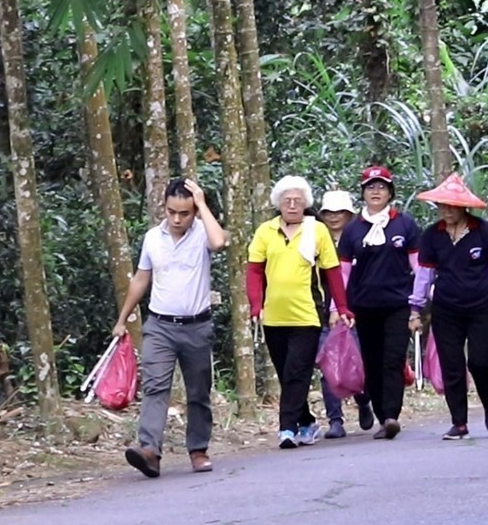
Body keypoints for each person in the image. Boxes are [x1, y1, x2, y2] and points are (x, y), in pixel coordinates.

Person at [117, 178, 228, 478]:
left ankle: (198, 449)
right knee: (154, 386)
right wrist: (122, 319)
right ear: (163, 208)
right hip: (160, 326)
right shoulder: (153, 238)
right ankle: (149, 450)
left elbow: (219, 243)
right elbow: (141, 278)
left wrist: (202, 203)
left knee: (198, 391)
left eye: (185, 213)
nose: (177, 219)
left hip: (197, 326)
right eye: (171, 212)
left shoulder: (205, 232)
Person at [408, 174, 488, 440]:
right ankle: (458, 422)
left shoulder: (484, 231)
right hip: (446, 309)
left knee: (480, 361)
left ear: (464, 206)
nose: (446, 210)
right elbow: (424, 275)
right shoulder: (431, 236)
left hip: (484, 306)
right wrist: (415, 309)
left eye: (452, 205)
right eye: (442, 205)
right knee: (452, 364)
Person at [247, 176, 353, 449]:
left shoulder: (316, 230)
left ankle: (286, 428)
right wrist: (255, 304)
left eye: (297, 201)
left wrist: (342, 307)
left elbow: (332, 272)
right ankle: (306, 422)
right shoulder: (265, 232)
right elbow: (255, 271)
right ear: (278, 204)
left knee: (298, 371)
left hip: (307, 314)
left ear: (305, 204)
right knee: (286, 373)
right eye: (287, 200)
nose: (292, 205)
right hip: (273, 316)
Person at [338, 167, 422, 440]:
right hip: (363, 306)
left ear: (390, 192)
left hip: (398, 304)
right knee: (372, 362)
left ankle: (391, 416)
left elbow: (418, 267)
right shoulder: (352, 229)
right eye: (370, 187)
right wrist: (338, 308)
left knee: (393, 358)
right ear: (363, 192)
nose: (376, 191)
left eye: (382, 187)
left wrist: (418, 305)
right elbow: (343, 273)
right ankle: (379, 413)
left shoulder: (405, 224)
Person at [317, 189, 374, 438]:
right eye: (328, 212)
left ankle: (363, 401)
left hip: (357, 310)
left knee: (358, 363)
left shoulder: (361, 240)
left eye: (339, 212)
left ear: (349, 214)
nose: (333, 217)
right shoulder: (316, 241)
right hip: (323, 313)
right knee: (328, 366)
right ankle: (335, 420)